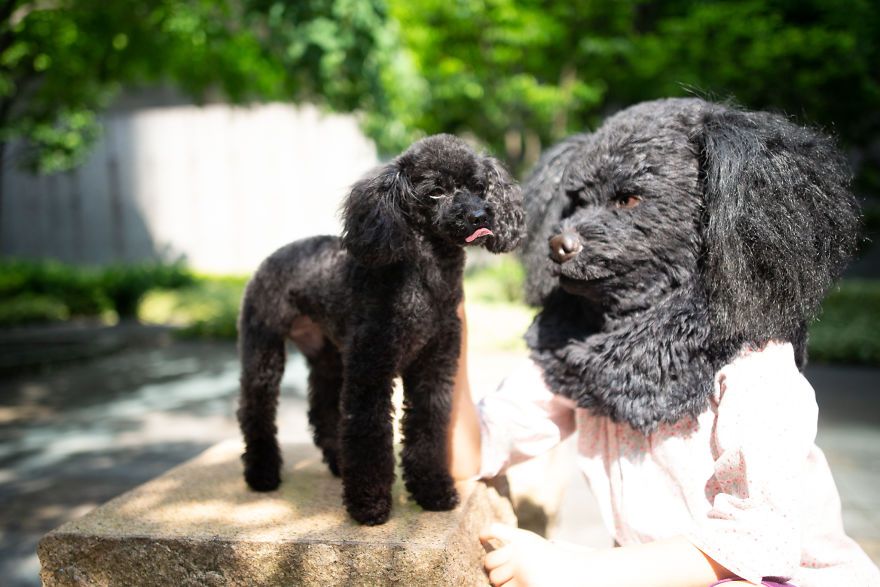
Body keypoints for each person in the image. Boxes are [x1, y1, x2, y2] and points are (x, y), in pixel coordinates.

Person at [448, 304, 880, 587]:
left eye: (630, 201)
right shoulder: (582, 344)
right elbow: (466, 454)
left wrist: (574, 572)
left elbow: (756, 544)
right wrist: (450, 325)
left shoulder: (754, 355)